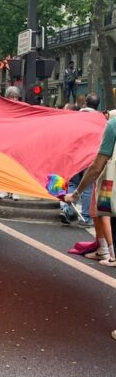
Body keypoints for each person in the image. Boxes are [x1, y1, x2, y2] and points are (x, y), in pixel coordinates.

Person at [64, 114, 116, 267]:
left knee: (105, 212)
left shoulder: (113, 125)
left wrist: (76, 194)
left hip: (111, 184)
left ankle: (110, 252)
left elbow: (96, 167)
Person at [61, 93, 99, 227]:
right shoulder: (99, 119)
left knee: (72, 183)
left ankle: (68, 210)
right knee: (87, 187)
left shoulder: (75, 116)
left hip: (74, 156)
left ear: (85, 103)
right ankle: (86, 218)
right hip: (89, 158)